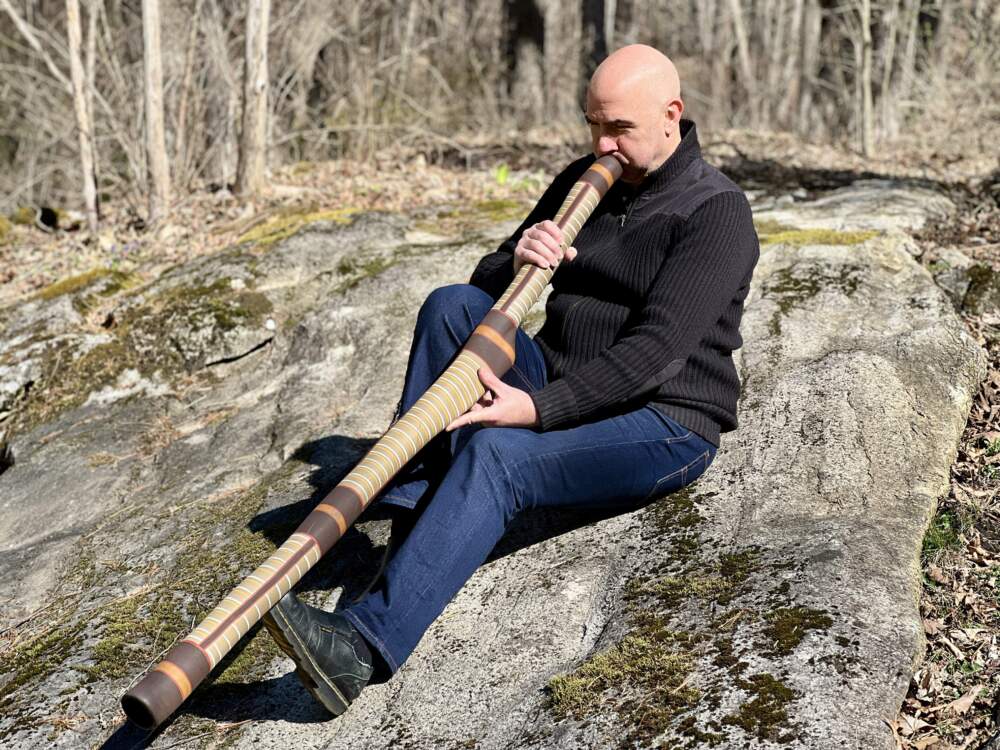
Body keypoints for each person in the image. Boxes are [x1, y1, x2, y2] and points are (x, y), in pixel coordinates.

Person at [262, 44, 760, 716]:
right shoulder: (583, 180)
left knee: (499, 457)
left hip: (663, 420)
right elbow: (490, 286)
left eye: (620, 129)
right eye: (593, 125)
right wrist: (516, 258)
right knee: (452, 308)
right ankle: (423, 496)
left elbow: (657, 354)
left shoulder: (715, 212)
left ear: (672, 115)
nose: (602, 143)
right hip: (560, 373)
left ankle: (359, 650)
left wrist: (536, 409)